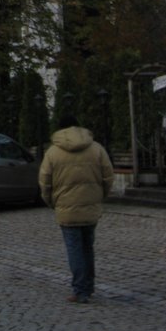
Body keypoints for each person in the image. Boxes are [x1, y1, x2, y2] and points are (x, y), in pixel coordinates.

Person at [38, 113, 114, 304]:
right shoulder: (97, 149)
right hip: (90, 207)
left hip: (66, 208)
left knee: (75, 249)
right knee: (88, 247)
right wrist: (99, 196)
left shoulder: (53, 152)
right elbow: (108, 176)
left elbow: (45, 182)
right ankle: (88, 286)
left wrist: (51, 202)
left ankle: (79, 290)